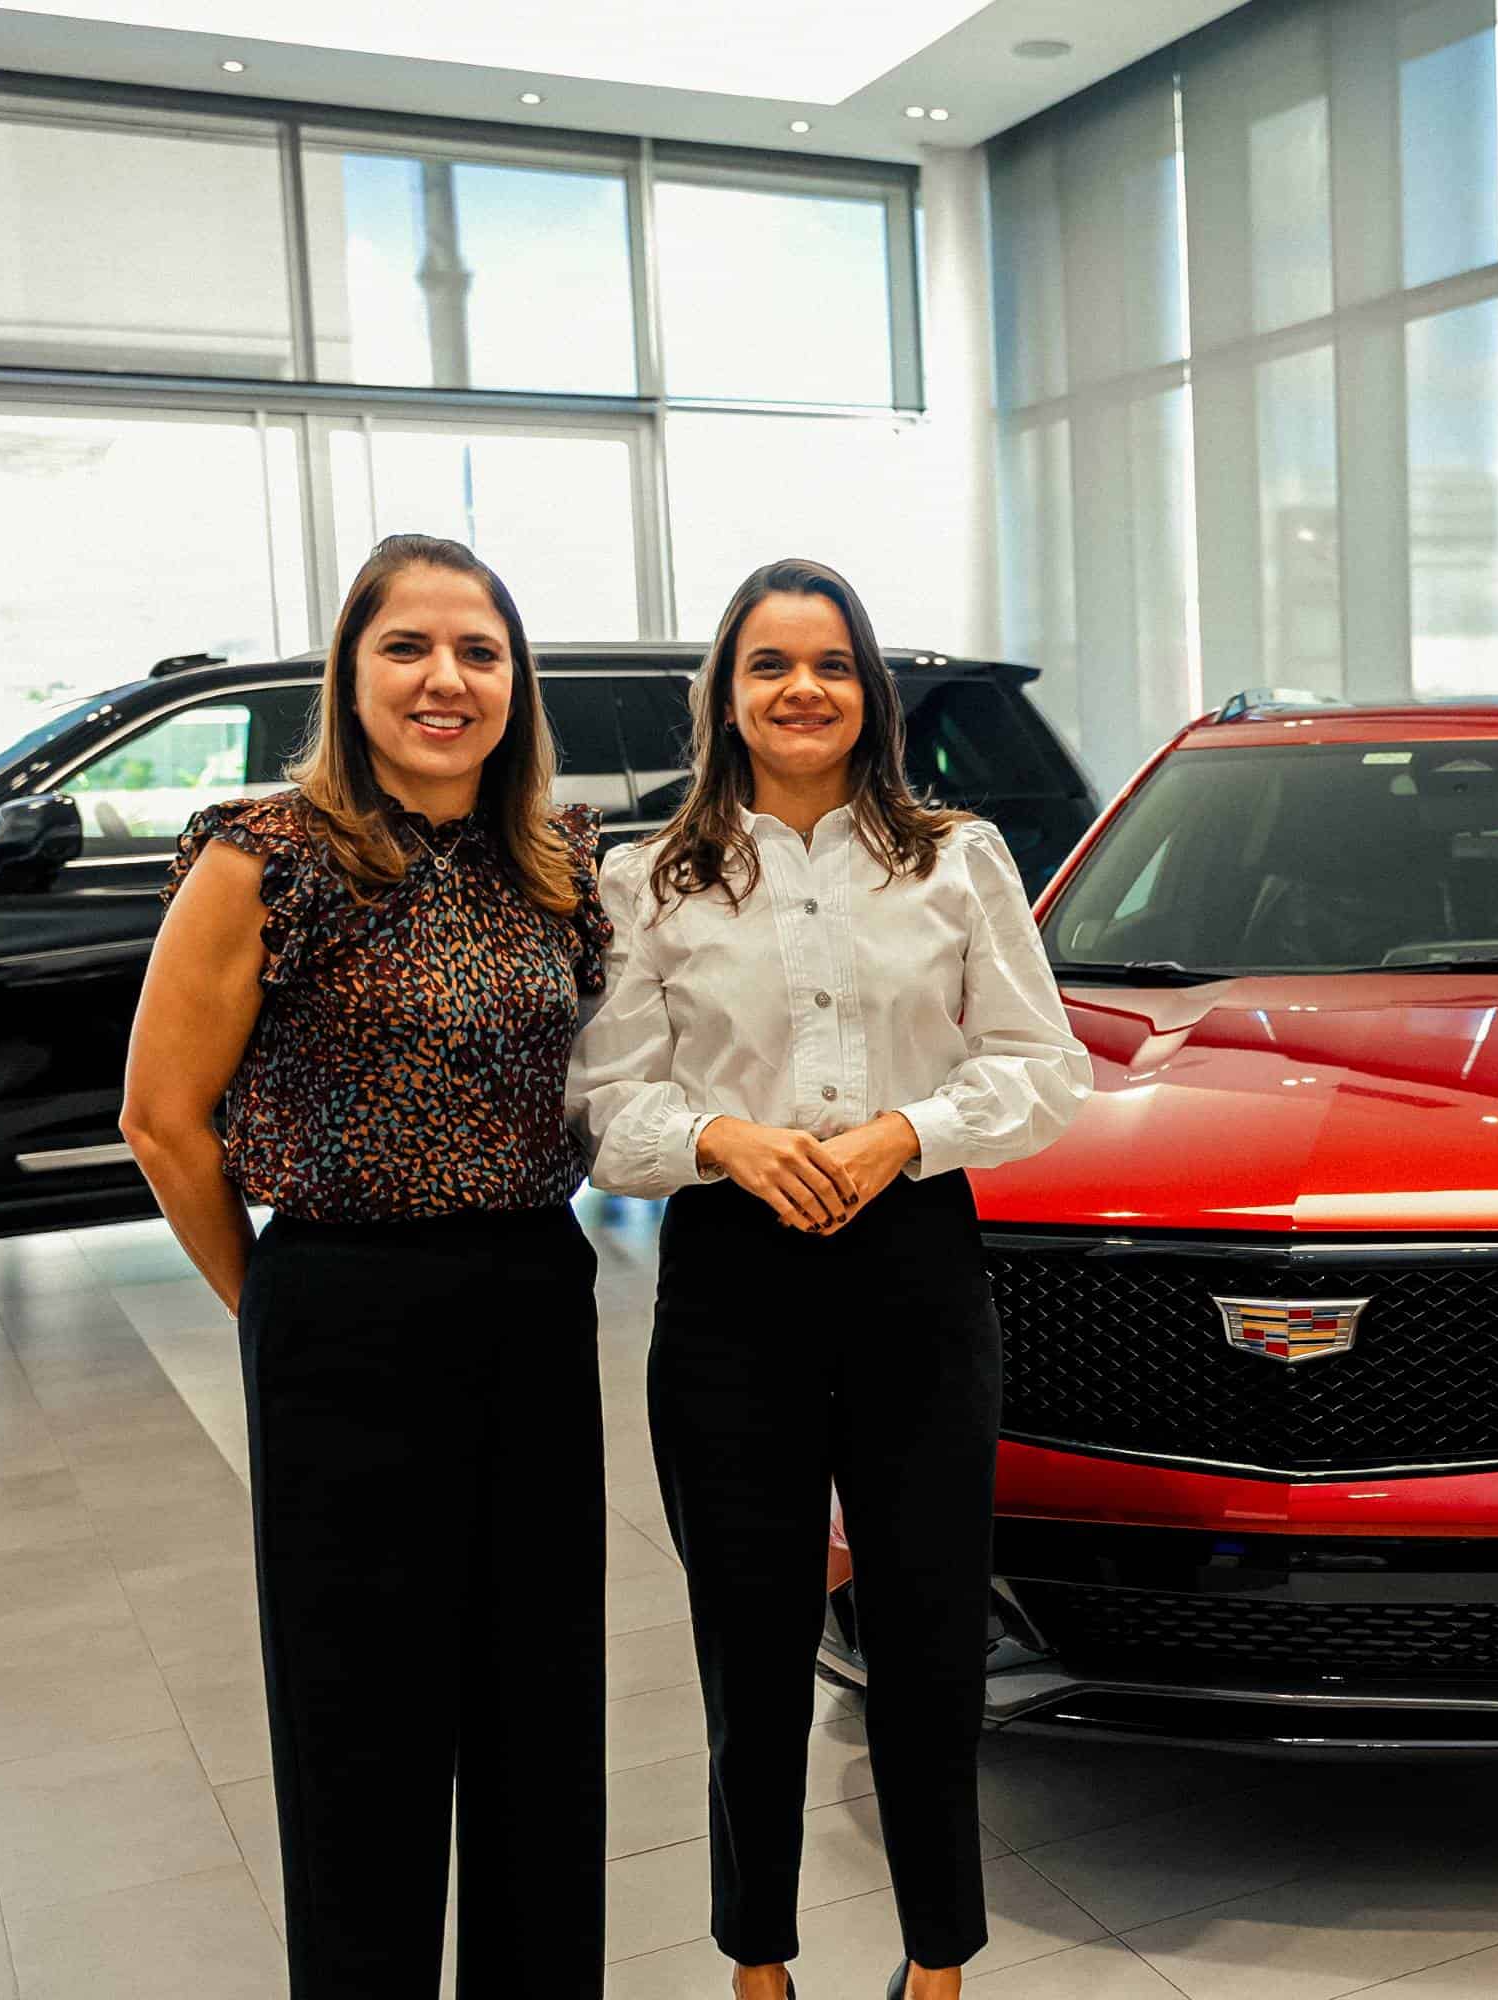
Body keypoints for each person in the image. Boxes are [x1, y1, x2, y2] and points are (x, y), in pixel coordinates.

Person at [567, 558, 1090, 2000]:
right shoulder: (648, 879)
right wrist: (724, 1138)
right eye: (769, 666)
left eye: (832, 665)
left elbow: (1046, 1068)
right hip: (735, 1281)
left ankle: (939, 1963)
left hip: (917, 1263)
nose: (803, 690)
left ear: (872, 692)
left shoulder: (956, 857)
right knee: (749, 1641)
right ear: (724, 697)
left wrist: (906, 1135)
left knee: (928, 1634)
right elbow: (608, 1105)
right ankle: (759, 1960)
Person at [121, 533, 612, 1997]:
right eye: (408, 647)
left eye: (478, 650)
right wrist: (275, 1302)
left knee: (540, 1710)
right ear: (351, 672)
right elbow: (160, 1120)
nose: (444, 678)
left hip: (532, 1294)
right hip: (345, 1303)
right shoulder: (266, 855)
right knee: (361, 1722)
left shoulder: (558, 863)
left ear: (515, 683)